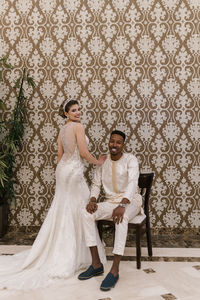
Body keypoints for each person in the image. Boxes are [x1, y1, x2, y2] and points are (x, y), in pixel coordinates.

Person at [0, 99, 106, 290]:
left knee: (62, 209)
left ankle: (60, 250)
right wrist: (98, 162)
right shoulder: (78, 127)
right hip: (73, 172)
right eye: (74, 110)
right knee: (79, 211)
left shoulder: (62, 129)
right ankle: (79, 255)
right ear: (66, 113)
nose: (78, 112)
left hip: (62, 170)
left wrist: (62, 172)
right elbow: (83, 152)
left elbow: (59, 154)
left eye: (79, 109)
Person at [78, 130, 142, 291]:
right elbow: (96, 184)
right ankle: (96, 264)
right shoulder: (104, 160)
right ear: (109, 142)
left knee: (122, 218)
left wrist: (123, 205)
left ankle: (114, 270)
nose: (114, 145)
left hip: (131, 200)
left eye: (118, 142)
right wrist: (92, 199)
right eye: (112, 141)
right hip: (110, 202)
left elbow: (133, 183)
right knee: (86, 213)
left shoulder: (130, 159)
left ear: (123, 145)